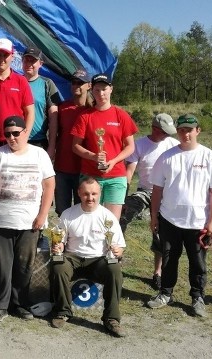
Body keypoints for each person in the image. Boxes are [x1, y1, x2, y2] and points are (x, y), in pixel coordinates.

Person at [147, 114, 212, 317]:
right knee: (168, 259)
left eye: (189, 130)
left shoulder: (209, 156)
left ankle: (198, 297)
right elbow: (157, 190)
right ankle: (165, 293)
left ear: (197, 131)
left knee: (198, 263)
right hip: (170, 219)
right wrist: (154, 216)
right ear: (178, 131)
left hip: (198, 222)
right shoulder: (166, 157)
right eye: (182, 130)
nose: (185, 134)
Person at [0, 115, 55, 323]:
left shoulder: (40, 154)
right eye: (7, 134)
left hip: (30, 222)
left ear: (25, 133)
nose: (11, 138)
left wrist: (43, 215)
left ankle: (21, 304)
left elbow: (49, 186)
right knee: (3, 267)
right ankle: (0, 306)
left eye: (15, 134)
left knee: (24, 265)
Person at [49, 177, 126, 337]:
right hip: (73, 258)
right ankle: (63, 312)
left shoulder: (108, 216)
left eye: (94, 194)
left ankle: (111, 319)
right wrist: (59, 246)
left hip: (98, 260)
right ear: (78, 193)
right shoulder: (68, 214)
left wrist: (118, 251)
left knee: (115, 269)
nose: (90, 198)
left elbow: (119, 246)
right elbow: (60, 241)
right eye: (85, 194)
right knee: (58, 266)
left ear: (100, 194)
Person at [120, 113, 179, 289]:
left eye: (170, 132)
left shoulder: (174, 146)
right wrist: (122, 198)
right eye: (165, 132)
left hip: (166, 194)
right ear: (154, 129)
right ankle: (116, 261)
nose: (168, 136)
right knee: (121, 217)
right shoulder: (139, 145)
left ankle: (158, 273)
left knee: (162, 232)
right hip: (145, 191)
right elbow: (129, 172)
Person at [71, 73, 138, 220]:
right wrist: (94, 156)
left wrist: (113, 161)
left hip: (116, 176)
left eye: (104, 89)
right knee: (90, 220)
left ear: (111, 89)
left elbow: (130, 146)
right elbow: (75, 146)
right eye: (97, 90)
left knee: (111, 222)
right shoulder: (85, 116)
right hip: (90, 176)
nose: (101, 93)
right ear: (91, 91)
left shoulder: (121, 115)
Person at [54, 69, 92, 216]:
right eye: (74, 82)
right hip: (62, 168)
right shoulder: (62, 108)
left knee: (82, 210)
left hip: (84, 169)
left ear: (88, 85)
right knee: (61, 211)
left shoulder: (92, 110)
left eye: (80, 83)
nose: (76, 86)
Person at [21, 47, 62, 158]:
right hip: (16, 140)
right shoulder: (15, 82)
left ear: (40, 63)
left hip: (38, 142)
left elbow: (53, 118)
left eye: (33, 61)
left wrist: (52, 145)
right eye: (26, 60)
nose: (29, 63)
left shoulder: (47, 84)